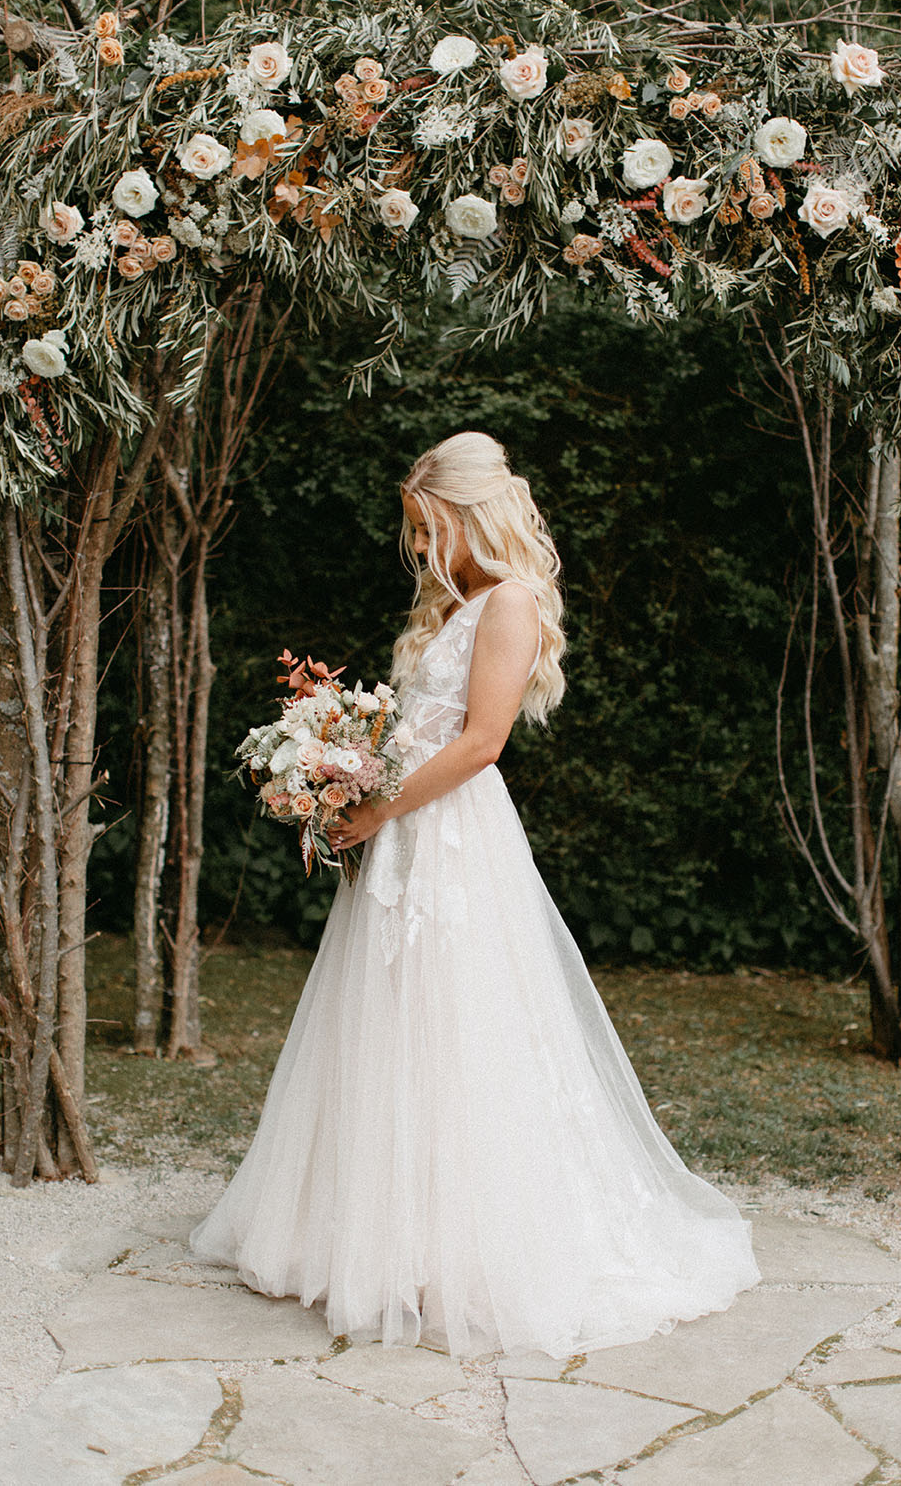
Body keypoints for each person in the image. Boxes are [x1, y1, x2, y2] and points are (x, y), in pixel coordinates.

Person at [189, 430, 760, 1357]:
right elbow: (420, 724)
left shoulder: (511, 602)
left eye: (428, 528)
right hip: (408, 826)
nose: (420, 548)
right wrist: (348, 765)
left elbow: (483, 740)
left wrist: (378, 808)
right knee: (391, 1020)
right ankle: (388, 1235)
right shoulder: (453, 606)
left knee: (457, 1022)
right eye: (415, 531)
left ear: (465, 514)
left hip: (450, 835)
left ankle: (463, 1244)